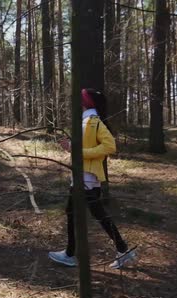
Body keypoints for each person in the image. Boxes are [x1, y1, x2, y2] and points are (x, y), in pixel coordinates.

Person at [49, 88, 136, 269]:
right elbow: (84, 145)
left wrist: (80, 152)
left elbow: (110, 146)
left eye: (80, 100)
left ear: (86, 103)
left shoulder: (93, 122)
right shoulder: (87, 121)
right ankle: (122, 250)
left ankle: (71, 254)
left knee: (80, 214)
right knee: (91, 214)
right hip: (83, 176)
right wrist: (71, 147)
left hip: (86, 178)